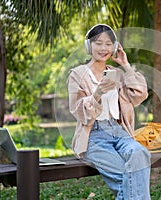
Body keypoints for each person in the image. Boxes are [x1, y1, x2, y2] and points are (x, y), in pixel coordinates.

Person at [67, 24, 151, 199]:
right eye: (98, 43)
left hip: (119, 132)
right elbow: (79, 111)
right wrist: (97, 94)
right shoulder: (78, 75)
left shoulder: (117, 74)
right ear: (89, 46)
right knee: (128, 179)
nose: (103, 48)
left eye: (108, 44)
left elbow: (139, 95)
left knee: (140, 152)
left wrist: (126, 66)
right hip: (93, 136)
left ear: (114, 47)